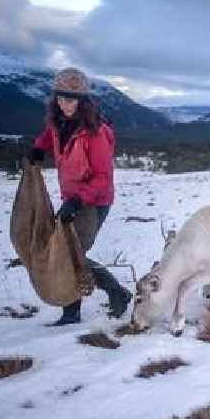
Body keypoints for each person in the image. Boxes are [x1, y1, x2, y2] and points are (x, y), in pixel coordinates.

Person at [29, 67, 132, 326]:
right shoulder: (58, 122)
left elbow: (102, 177)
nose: (65, 104)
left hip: (94, 201)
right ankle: (80, 307)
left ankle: (113, 294)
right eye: (61, 98)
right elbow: (49, 136)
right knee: (69, 254)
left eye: (71, 99)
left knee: (71, 255)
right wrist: (38, 149)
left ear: (83, 101)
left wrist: (78, 201)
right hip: (71, 198)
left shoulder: (95, 133)